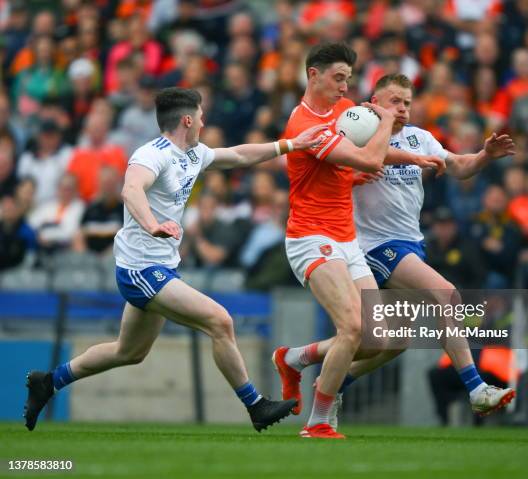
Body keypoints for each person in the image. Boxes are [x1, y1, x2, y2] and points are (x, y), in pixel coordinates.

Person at [24, 87, 324, 433]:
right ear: (187, 119)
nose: (203, 121)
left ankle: (49, 381)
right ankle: (256, 405)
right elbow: (130, 190)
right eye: (200, 115)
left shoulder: (193, 154)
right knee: (220, 321)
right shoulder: (152, 155)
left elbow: (239, 156)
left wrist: (292, 144)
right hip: (140, 270)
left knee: (129, 352)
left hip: (159, 268)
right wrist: (152, 225)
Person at [273, 73, 517, 433]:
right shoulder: (358, 134)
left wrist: (483, 156)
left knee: (390, 342)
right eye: (394, 102)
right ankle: (477, 388)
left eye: (406, 102)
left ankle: (306, 362)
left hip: (410, 245)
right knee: (446, 294)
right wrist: (356, 175)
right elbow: (332, 171)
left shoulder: (421, 138)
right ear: (373, 103)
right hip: (372, 246)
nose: (402, 108)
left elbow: (459, 167)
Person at [272, 44, 445, 439]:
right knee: (351, 327)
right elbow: (368, 158)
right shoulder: (303, 127)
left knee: (378, 339)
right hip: (311, 237)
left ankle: (293, 357)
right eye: (337, 77)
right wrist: (385, 119)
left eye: (348, 78)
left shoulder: (345, 109)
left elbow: (360, 159)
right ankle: (317, 421)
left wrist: (413, 159)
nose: (344, 85)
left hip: (345, 238)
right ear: (312, 75)